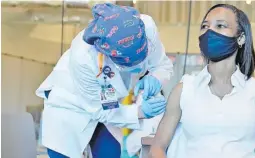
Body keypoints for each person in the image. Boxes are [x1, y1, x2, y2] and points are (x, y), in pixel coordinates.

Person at [149, 4, 255, 158]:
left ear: (241, 38)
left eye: (220, 26)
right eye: (205, 26)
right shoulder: (184, 90)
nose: (209, 31)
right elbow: (157, 148)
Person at [35, 3, 173, 158]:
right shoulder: (83, 57)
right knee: (64, 151)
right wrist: (140, 112)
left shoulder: (147, 26)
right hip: (70, 107)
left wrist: (155, 78)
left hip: (108, 105)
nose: (137, 68)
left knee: (109, 152)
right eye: (128, 64)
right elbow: (100, 110)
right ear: (108, 53)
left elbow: (162, 65)